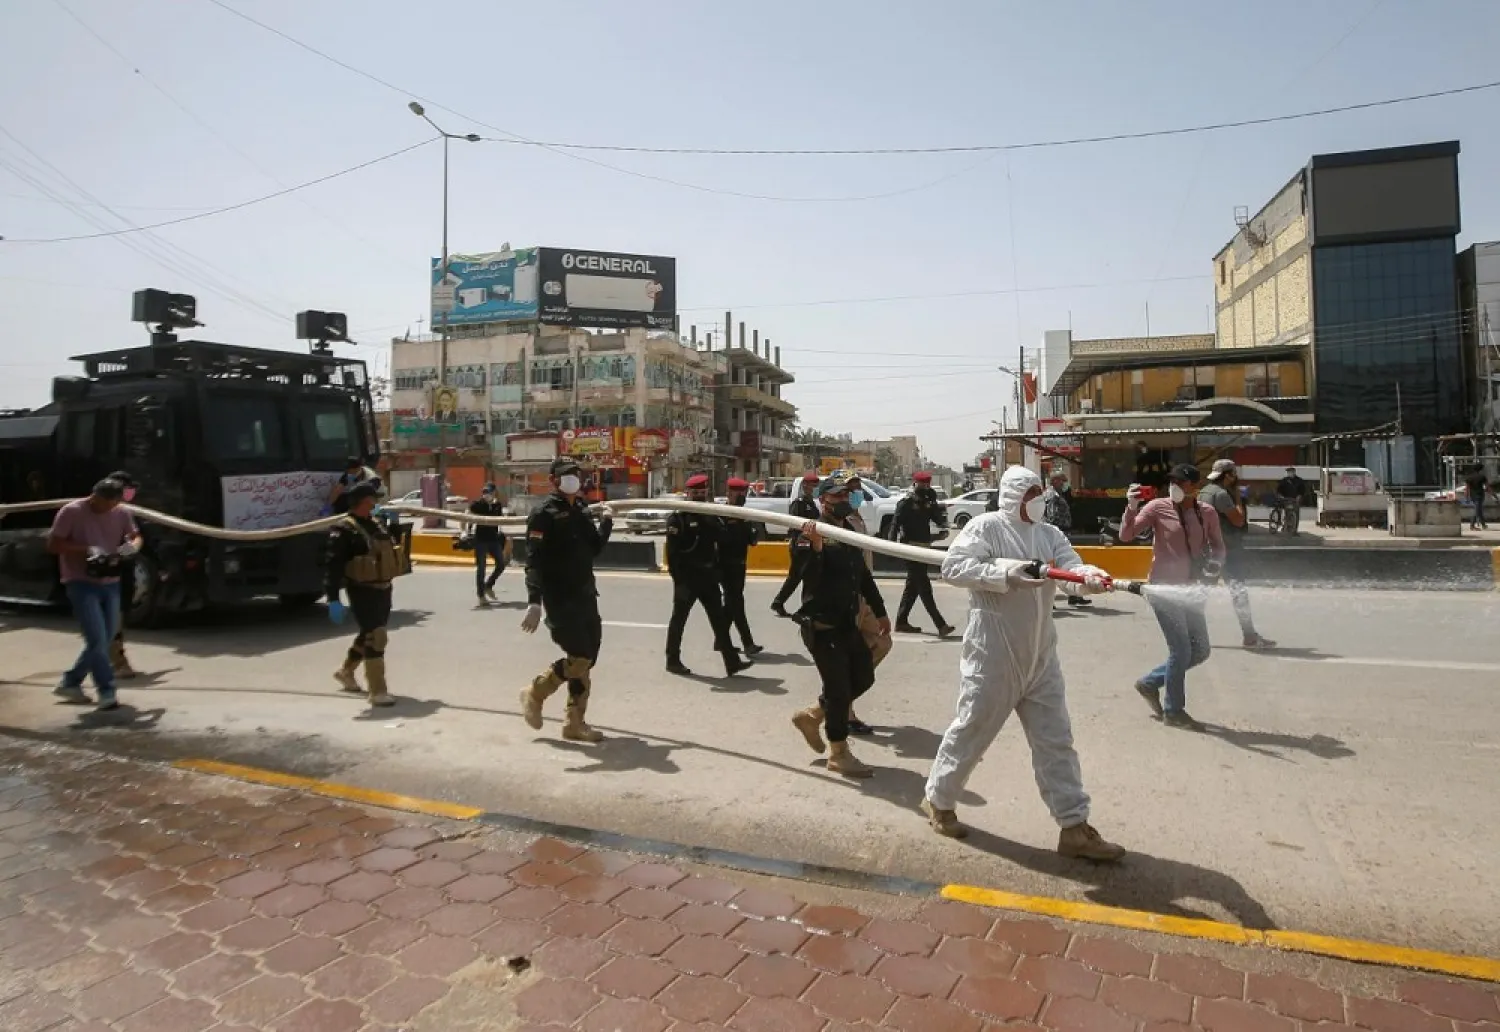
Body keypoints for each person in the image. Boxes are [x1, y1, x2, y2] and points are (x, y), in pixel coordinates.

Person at [922, 466, 1122, 859]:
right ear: (1013, 495)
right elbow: (953, 567)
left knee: (1056, 741)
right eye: (1030, 491)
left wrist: (1089, 577)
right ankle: (940, 802)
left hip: (1040, 656)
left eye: (1040, 491)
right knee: (971, 731)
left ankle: (1074, 827)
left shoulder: (1050, 534)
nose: (1039, 498)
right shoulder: (985, 527)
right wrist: (1007, 571)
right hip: (993, 654)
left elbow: (1070, 568)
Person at [788, 476, 889, 777]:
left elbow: (862, 577)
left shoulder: (847, 532)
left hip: (846, 621)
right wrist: (816, 551)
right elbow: (806, 576)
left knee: (863, 676)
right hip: (822, 625)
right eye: (837, 496)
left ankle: (813, 714)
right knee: (838, 688)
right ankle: (839, 752)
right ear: (823, 502)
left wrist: (880, 612)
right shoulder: (809, 534)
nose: (844, 500)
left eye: (846, 495)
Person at [1122, 463, 1225, 730]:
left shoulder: (1208, 513)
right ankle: (1174, 711)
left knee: (1200, 650)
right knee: (1180, 650)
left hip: (1192, 590)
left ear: (1194, 487)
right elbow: (1126, 535)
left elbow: (1218, 547)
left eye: (1181, 482)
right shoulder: (1157, 507)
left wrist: (1214, 568)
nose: (1175, 487)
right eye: (1173, 482)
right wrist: (1131, 507)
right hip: (1163, 590)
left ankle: (1150, 682)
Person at [519, 458, 614, 742]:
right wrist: (534, 601)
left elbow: (594, 548)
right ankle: (535, 692)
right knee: (580, 656)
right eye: (566, 475)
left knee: (588, 659)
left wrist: (607, 522)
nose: (573, 479)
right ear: (553, 480)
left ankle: (574, 723)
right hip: (560, 598)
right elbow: (533, 561)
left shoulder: (582, 510)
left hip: (586, 594)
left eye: (576, 474)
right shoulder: (543, 514)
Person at [48, 479, 142, 712]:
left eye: (114, 503)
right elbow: (53, 544)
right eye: (106, 502)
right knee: (97, 638)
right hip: (80, 582)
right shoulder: (71, 511)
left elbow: (135, 535)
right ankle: (107, 691)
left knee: (105, 638)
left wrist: (131, 547)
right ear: (95, 496)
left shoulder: (121, 513)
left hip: (110, 581)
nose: (110, 508)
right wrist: (86, 549)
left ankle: (71, 681)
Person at [326, 483, 408, 708]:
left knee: (368, 634)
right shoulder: (345, 529)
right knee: (377, 636)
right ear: (363, 501)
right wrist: (333, 598)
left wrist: (394, 525)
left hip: (383, 588)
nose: (375, 503)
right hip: (362, 590)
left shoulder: (376, 523)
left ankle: (345, 672)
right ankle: (378, 691)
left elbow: (389, 549)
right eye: (372, 499)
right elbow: (333, 567)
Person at [665, 474, 750, 677]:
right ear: (688, 494)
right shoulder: (679, 518)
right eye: (696, 494)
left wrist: (721, 521)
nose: (700, 497)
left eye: (703, 493)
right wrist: (679, 581)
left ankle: (732, 661)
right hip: (688, 578)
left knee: (719, 620)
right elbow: (673, 554)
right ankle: (672, 660)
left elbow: (725, 538)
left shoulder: (711, 515)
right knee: (679, 619)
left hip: (708, 576)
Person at [1200, 460, 1276, 650]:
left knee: (1201, 593)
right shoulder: (1222, 495)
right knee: (1239, 592)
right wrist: (1238, 499)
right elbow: (1238, 520)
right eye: (1234, 474)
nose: (1236, 477)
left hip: (1210, 550)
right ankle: (1249, 636)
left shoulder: (1205, 491)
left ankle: (1191, 634)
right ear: (1227, 475)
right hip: (1227, 551)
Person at [889, 470, 954, 636]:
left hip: (924, 548)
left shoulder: (928, 501)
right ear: (915, 483)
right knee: (924, 587)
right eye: (922, 484)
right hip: (910, 549)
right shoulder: (905, 503)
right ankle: (941, 625)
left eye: (927, 484)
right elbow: (895, 525)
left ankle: (901, 621)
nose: (925, 487)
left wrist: (939, 512)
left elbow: (938, 520)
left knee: (912, 587)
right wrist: (889, 547)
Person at [718, 478, 763, 656]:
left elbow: (751, 539)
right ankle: (748, 643)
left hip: (740, 564)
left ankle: (720, 640)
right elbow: (721, 539)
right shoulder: (721, 514)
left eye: (744, 493)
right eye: (739, 493)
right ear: (729, 494)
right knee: (736, 603)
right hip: (725, 565)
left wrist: (753, 531)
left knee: (730, 604)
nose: (742, 496)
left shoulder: (743, 514)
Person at [104, 470, 141, 678]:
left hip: (124, 571)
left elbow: (138, 537)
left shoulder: (127, 513)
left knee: (118, 615)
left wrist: (126, 551)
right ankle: (116, 662)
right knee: (109, 620)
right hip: (105, 572)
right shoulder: (95, 513)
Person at [771, 472, 821, 618]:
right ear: (805, 486)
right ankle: (804, 609)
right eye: (813, 486)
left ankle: (779, 602)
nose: (814, 489)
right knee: (805, 576)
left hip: (809, 544)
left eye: (816, 486)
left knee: (797, 577)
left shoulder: (811, 503)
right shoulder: (798, 503)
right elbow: (794, 525)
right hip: (801, 545)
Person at [1041, 472, 1089, 609]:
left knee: (1067, 564)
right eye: (1062, 481)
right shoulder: (1051, 495)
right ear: (1055, 481)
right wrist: (1056, 534)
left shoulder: (1057, 494)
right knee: (1052, 568)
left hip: (1060, 533)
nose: (1064, 484)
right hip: (1054, 535)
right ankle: (1050, 600)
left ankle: (1074, 595)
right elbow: (1051, 517)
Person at [468, 483, 509, 605]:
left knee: (501, 564)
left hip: (493, 540)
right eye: (484, 493)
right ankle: (481, 595)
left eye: (489, 493)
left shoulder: (497, 505)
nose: (486, 495)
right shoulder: (477, 505)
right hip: (480, 540)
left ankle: (488, 585)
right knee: (481, 568)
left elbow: (500, 520)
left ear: (493, 493)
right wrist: (466, 531)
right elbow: (467, 513)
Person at [1276, 466, 1305, 534]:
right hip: (1286, 499)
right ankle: (1287, 527)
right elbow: (1279, 489)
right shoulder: (1284, 480)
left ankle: (1294, 530)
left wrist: (1299, 496)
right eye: (1288, 472)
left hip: (1296, 500)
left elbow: (1302, 490)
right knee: (1287, 512)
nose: (1289, 473)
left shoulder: (1299, 480)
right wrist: (1280, 495)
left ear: (1294, 472)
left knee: (1296, 514)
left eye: (1291, 472)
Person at [1464, 464, 1490, 530]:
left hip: (1473, 496)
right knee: (1477, 510)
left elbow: (1467, 489)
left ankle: (1483, 524)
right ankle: (1472, 525)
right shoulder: (1482, 477)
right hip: (1480, 495)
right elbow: (1487, 487)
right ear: (1480, 469)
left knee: (1479, 509)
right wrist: (1494, 495)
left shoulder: (1469, 477)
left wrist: (1466, 497)